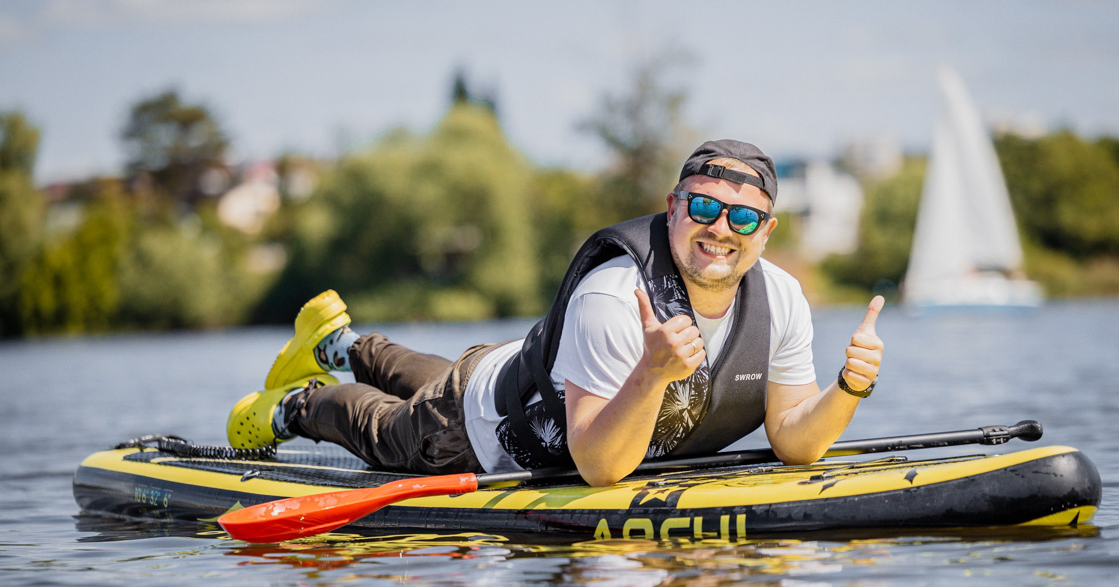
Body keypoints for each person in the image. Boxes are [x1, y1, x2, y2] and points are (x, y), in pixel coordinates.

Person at [227, 139, 884, 486]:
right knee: (388, 429)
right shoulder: (613, 297)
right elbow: (599, 466)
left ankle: (338, 341)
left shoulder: (784, 298)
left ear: (766, 231)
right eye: (704, 207)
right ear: (673, 206)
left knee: (433, 373)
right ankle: (297, 403)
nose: (721, 229)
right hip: (473, 433)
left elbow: (795, 440)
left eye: (743, 216)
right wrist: (653, 374)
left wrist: (848, 388)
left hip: (510, 368)